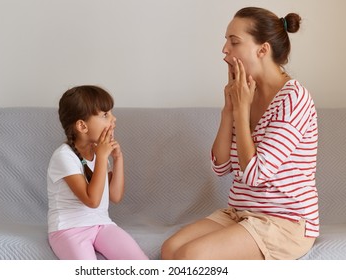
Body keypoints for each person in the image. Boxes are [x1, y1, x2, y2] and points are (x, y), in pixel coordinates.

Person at [161, 7, 318, 260]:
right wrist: (230, 109)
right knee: (170, 249)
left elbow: (255, 174)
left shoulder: (293, 99)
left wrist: (242, 112)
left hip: (285, 223)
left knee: (191, 257)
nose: (225, 49)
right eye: (226, 41)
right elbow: (220, 166)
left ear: (262, 50)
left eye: (234, 42)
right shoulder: (246, 92)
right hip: (240, 213)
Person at [47, 85, 148, 260]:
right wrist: (102, 157)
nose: (114, 119)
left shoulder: (99, 153)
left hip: (101, 225)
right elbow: (92, 201)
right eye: (105, 115)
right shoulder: (63, 156)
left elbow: (115, 196)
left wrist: (118, 159)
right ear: (82, 126)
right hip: (68, 229)